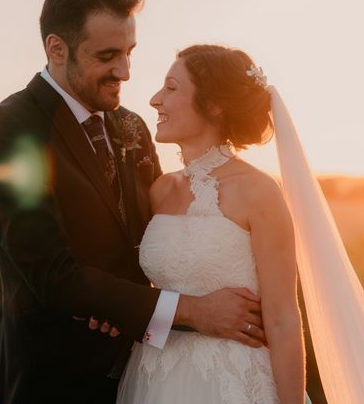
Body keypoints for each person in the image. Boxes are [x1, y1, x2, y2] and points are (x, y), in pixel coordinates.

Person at [0, 0, 265, 404]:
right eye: (107, 56)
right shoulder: (7, 130)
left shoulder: (132, 126)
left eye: (129, 52)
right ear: (57, 48)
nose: (124, 71)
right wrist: (193, 311)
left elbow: (156, 239)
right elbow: (51, 276)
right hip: (59, 383)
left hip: (151, 376)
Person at [117, 45, 305, 403]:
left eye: (171, 88)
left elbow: (282, 320)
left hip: (231, 383)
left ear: (214, 105)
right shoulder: (160, 190)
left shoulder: (259, 192)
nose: (156, 100)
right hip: (154, 377)